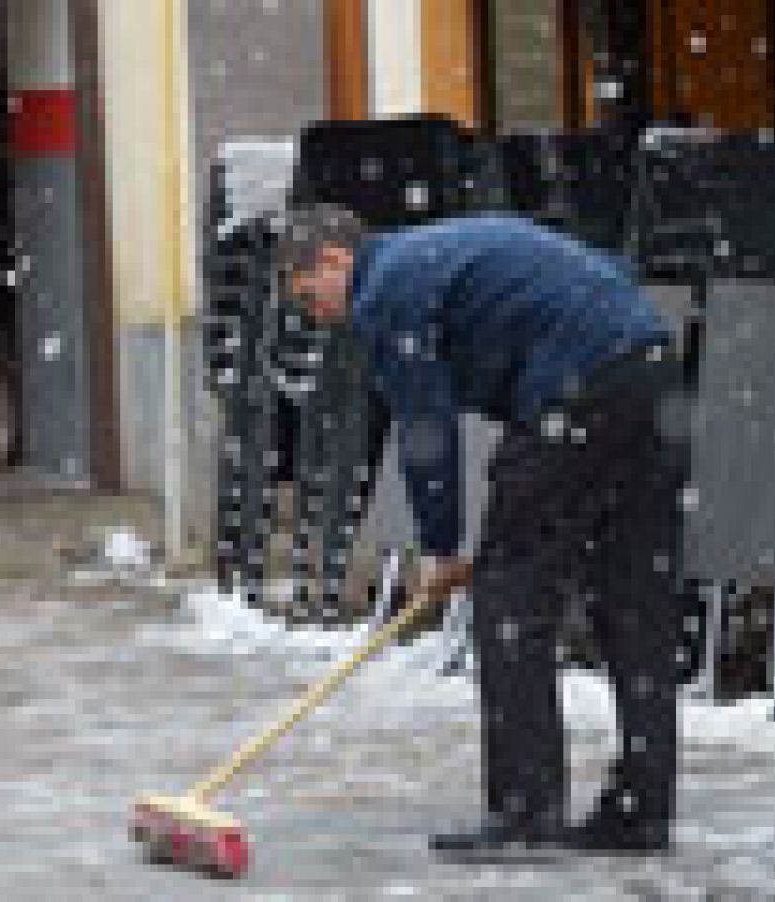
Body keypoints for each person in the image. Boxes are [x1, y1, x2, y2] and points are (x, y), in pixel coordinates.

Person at [277, 205, 686, 856]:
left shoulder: (386, 290)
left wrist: (442, 546)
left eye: (309, 297)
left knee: (510, 602)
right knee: (632, 599)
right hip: (650, 368)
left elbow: (425, 424)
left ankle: (526, 814)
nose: (319, 316)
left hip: (575, 391)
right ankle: (643, 808)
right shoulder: (436, 253)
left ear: (334, 260)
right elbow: (604, 275)